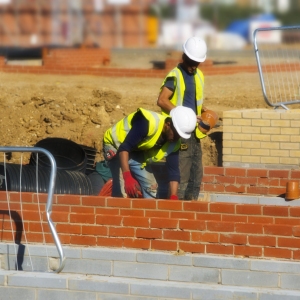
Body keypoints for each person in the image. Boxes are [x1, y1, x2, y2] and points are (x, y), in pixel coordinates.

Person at [102, 106, 197, 199]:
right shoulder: (147, 123)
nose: (177, 138)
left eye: (180, 136)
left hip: (135, 151)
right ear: (168, 124)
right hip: (115, 145)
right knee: (121, 190)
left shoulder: (174, 143)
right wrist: (127, 177)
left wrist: (173, 196)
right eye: (176, 133)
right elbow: (124, 148)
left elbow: (174, 171)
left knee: (152, 188)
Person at [157, 36, 208, 200]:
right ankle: (176, 211)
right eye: (191, 61)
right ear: (184, 56)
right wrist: (182, 114)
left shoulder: (199, 75)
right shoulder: (175, 75)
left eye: (197, 62)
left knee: (196, 174)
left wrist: (202, 110)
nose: (194, 66)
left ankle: (191, 209)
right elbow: (162, 100)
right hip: (179, 131)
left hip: (195, 133)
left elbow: (194, 99)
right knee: (181, 174)